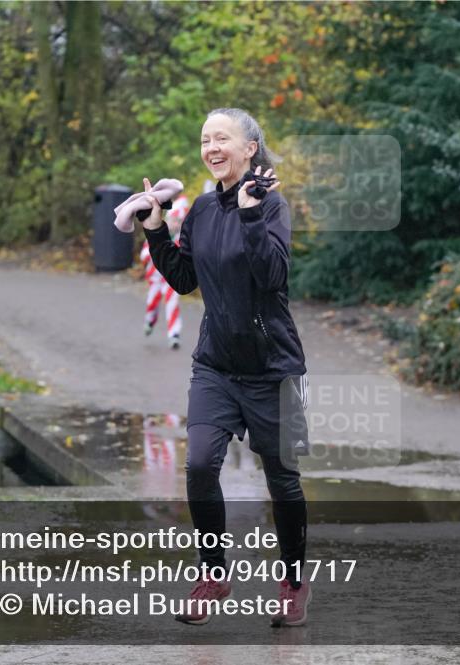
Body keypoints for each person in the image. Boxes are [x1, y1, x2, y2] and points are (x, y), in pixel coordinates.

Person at [120, 108, 311, 628]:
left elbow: (272, 276)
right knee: (201, 464)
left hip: (275, 368)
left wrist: (251, 213)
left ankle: (293, 582)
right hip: (217, 367)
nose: (212, 146)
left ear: (250, 148)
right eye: (206, 139)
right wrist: (156, 229)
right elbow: (184, 279)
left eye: (222, 137)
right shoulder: (202, 209)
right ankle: (212, 571)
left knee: (284, 481)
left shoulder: (272, 206)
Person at [138, 195, 188, 349]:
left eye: (179, 222)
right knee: (152, 302)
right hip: (155, 278)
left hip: (171, 279)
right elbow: (144, 254)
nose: (176, 224)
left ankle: (174, 334)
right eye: (174, 220)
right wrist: (151, 254)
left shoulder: (182, 239)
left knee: (172, 303)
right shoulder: (159, 233)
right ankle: (150, 320)